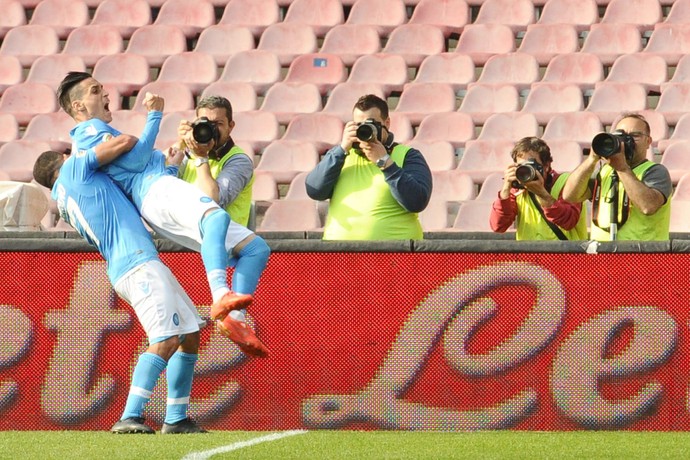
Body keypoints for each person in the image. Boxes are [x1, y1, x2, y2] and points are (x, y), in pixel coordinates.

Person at [57, 71, 270, 358]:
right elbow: (137, 159)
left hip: (160, 191)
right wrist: (155, 115)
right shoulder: (90, 130)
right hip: (154, 192)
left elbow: (137, 164)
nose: (106, 95)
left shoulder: (234, 158)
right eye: (96, 91)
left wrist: (174, 158)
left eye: (218, 124)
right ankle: (220, 296)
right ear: (79, 106)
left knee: (256, 248)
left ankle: (236, 320)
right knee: (216, 218)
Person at [33, 138, 207, 434]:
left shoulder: (73, 192)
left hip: (137, 262)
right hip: (137, 263)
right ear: (66, 158)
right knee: (166, 338)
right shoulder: (76, 171)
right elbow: (125, 141)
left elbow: (131, 200)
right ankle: (130, 415)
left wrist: (170, 169)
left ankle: (176, 418)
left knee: (189, 334)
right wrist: (154, 117)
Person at [305, 94, 432, 240]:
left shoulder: (407, 155)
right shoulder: (340, 156)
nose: (366, 130)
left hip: (394, 257)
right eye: (359, 125)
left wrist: (384, 162)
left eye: (372, 124)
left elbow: (417, 201)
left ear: (387, 123)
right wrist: (341, 150)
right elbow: (314, 190)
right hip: (340, 256)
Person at [562, 113, 672, 241]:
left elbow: (648, 206)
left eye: (634, 135)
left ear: (648, 142)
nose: (626, 140)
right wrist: (591, 159)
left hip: (643, 257)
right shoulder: (604, 171)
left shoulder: (656, 172)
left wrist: (622, 168)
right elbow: (569, 196)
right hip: (603, 257)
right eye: (620, 135)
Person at [173, 95, 254, 228]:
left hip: (227, 241)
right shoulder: (190, 153)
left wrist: (201, 157)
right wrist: (180, 143)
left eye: (218, 124)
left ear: (231, 126)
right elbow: (159, 180)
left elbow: (211, 203)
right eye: (205, 124)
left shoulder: (239, 161)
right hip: (188, 238)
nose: (211, 130)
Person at [489, 137, 588, 241]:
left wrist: (541, 193)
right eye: (521, 166)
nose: (526, 171)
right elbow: (498, 226)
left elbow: (568, 221)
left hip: (564, 255)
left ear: (546, 165)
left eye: (531, 165)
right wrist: (505, 189)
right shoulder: (518, 189)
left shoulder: (568, 182)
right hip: (529, 256)